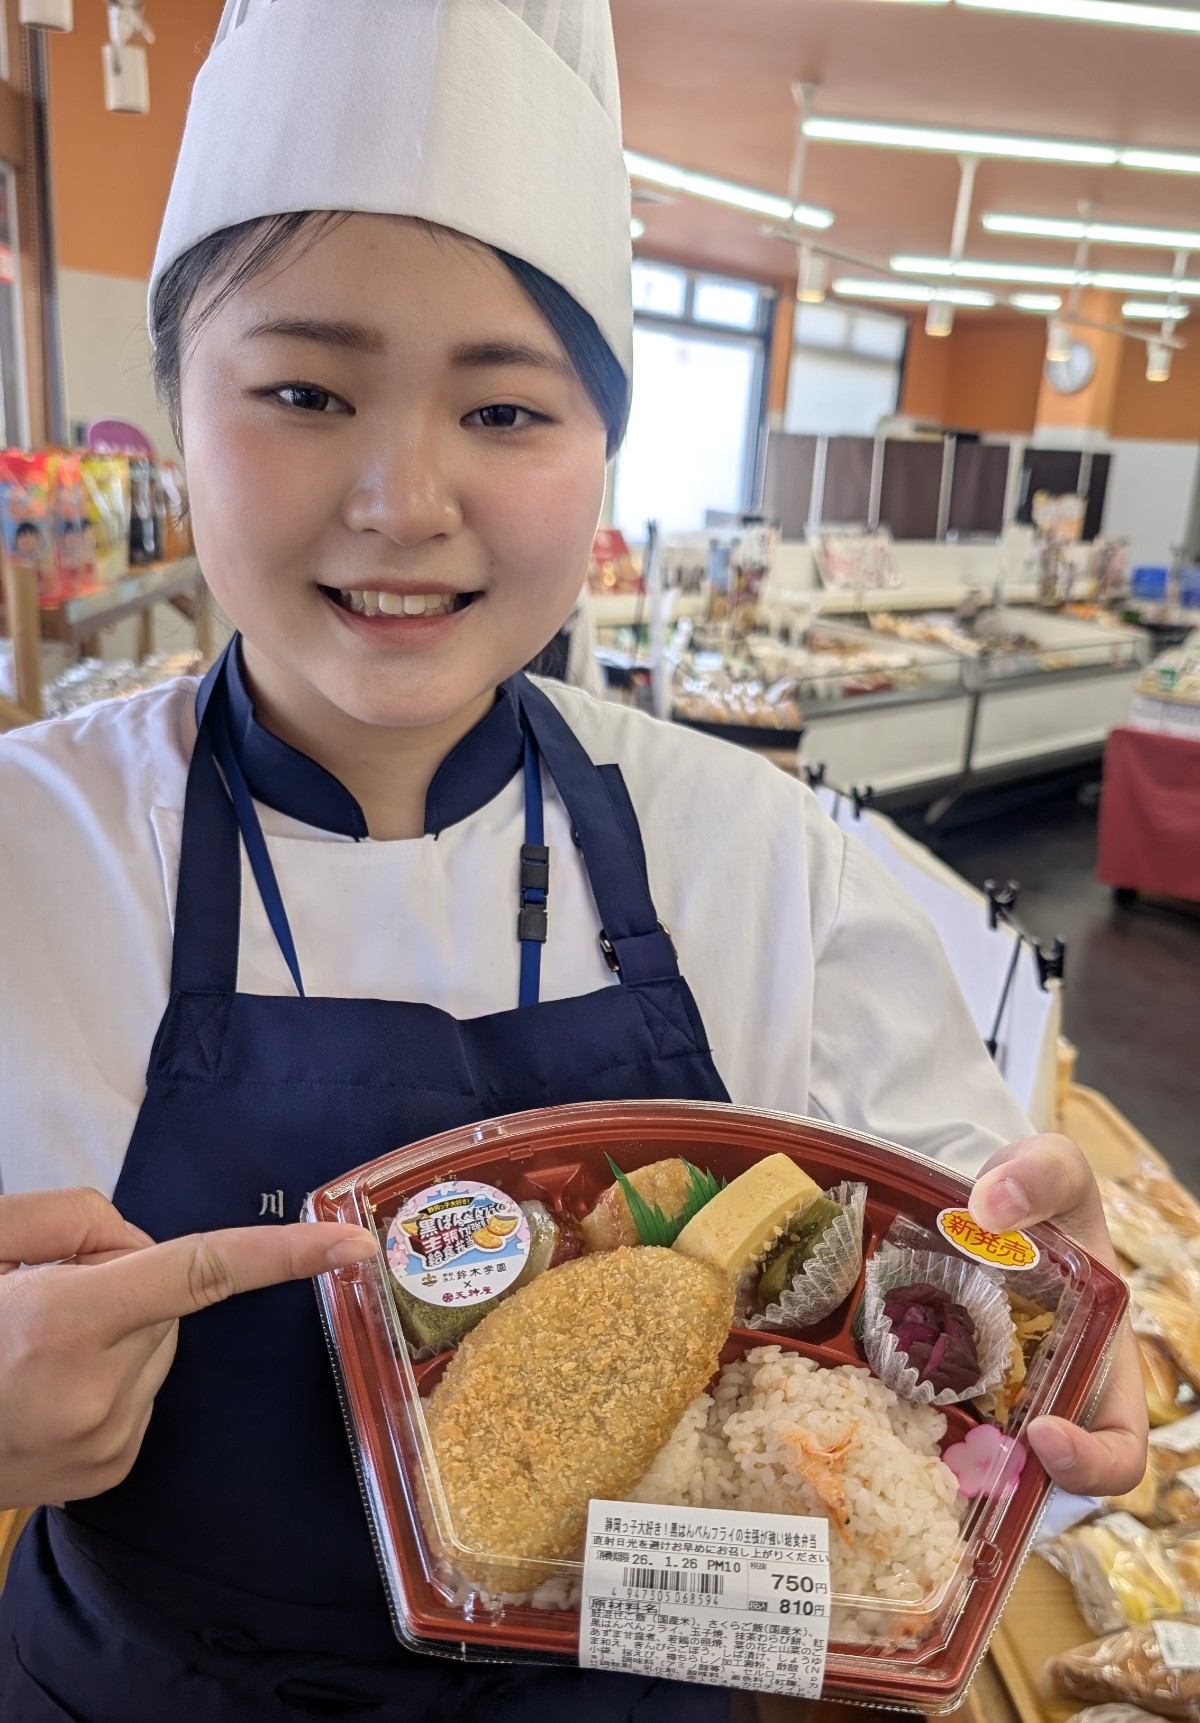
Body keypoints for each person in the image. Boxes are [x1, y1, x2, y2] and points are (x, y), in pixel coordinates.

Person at [0, 3, 1144, 1719]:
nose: (404, 498)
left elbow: (985, 1341)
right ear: (174, 413)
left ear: (604, 453)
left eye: (506, 410)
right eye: (305, 391)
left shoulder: (767, 861)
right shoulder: (30, 849)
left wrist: (1056, 1342)